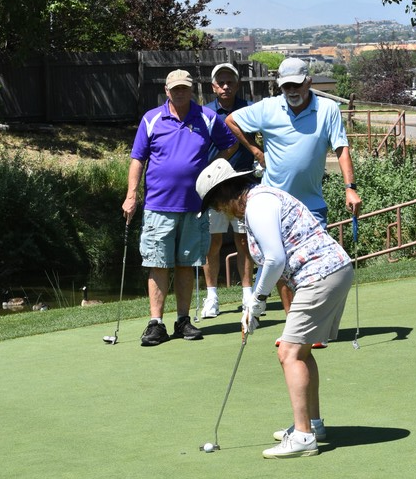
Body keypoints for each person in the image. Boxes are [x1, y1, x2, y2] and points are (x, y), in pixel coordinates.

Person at [196, 158, 354, 459]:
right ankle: (312, 425)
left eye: (215, 204)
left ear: (226, 193)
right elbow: (273, 261)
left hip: (320, 275)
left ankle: (303, 437)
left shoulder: (258, 205)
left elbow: (275, 259)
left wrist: (257, 300)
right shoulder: (259, 201)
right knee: (300, 351)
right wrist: (254, 302)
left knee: (289, 353)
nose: (218, 211)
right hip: (329, 272)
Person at [225, 57, 361, 318]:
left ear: (308, 82)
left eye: (297, 85)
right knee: (281, 267)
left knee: (315, 266)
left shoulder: (327, 109)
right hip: (274, 205)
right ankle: (293, 322)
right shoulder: (268, 108)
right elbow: (232, 120)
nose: (292, 91)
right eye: (286, 86)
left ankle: (311, 322)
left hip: (311, 204)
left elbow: (341, 149)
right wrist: (256, 151)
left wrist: (350, 188)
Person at [122, 69, 238, 346]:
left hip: (194, 205)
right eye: (175, 89)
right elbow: (138, 159)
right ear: (167, 91)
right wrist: (131, 195)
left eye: (184, 88)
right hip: (158, 205)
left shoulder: (207, 118)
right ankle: (156, 323)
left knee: (187, 264)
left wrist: (213, 168)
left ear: (191, 90)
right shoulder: (151, 119)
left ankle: (183, 320)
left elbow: (230, 144)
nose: (180, 93)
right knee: (158, 263)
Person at [201, 63, 256, 318]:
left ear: (237, 84)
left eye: (230, 82)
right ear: (213, 86)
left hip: (244, 184)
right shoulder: (204, 113)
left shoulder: (249, 110)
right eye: (220, 83)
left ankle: (247, 295)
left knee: (243, 240)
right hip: (215, 186)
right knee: (212, 242)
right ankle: (212, 297)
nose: (225, 86)